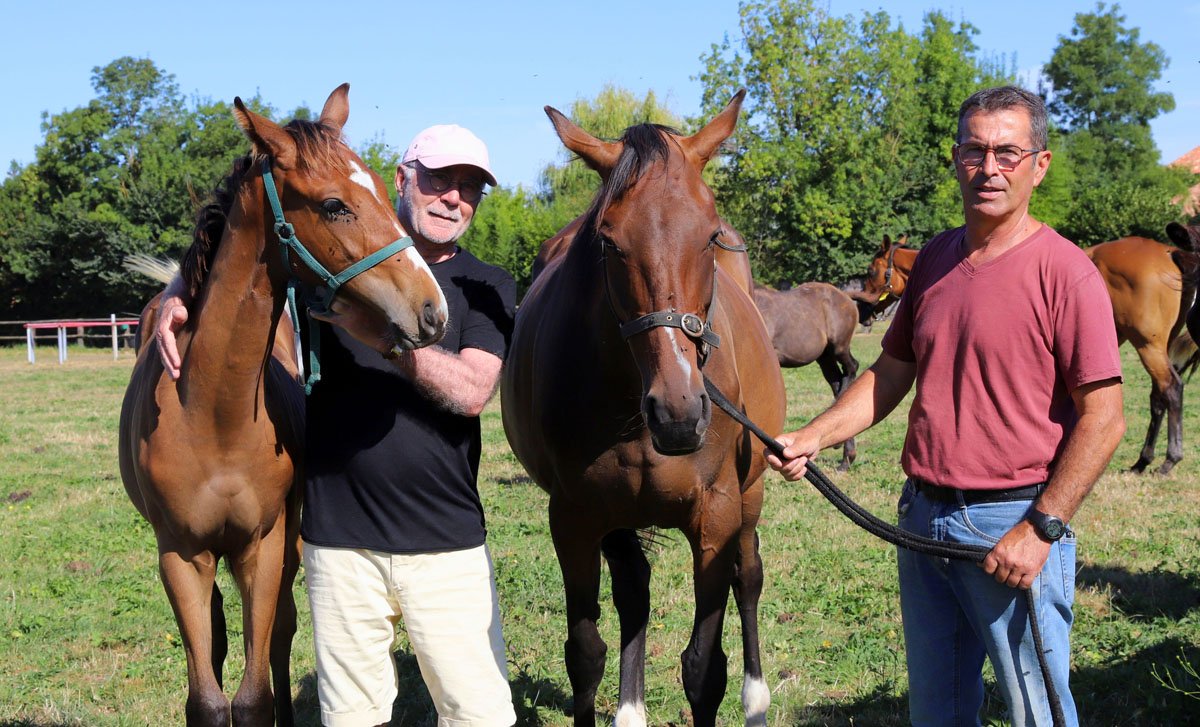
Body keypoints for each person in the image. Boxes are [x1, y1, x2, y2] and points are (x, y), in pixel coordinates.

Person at [766, 86, 1124, 727]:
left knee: (1037, 712)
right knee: (937, 712)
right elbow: (890, 373)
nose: (990, 168)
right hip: (923, 518)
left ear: (1039, 165)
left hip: (1012, 524)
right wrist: (814, 435)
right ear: (955, 159)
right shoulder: (934, 259)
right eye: (975, 151)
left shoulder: (1066, 273)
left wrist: (1040, 529)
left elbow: (1105, 418)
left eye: (1008, 153)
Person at [156, 124, 518, 727]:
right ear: (402, 180)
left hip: (445, 543)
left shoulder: (486, 285)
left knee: (478, 715)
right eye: (439, 180)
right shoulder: (331, 259)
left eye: (470, 187)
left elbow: (472, 392)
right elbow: (244, 253)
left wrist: (386, 342)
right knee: (351, 717)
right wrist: (178, 292)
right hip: (340, 545)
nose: (454, 198)